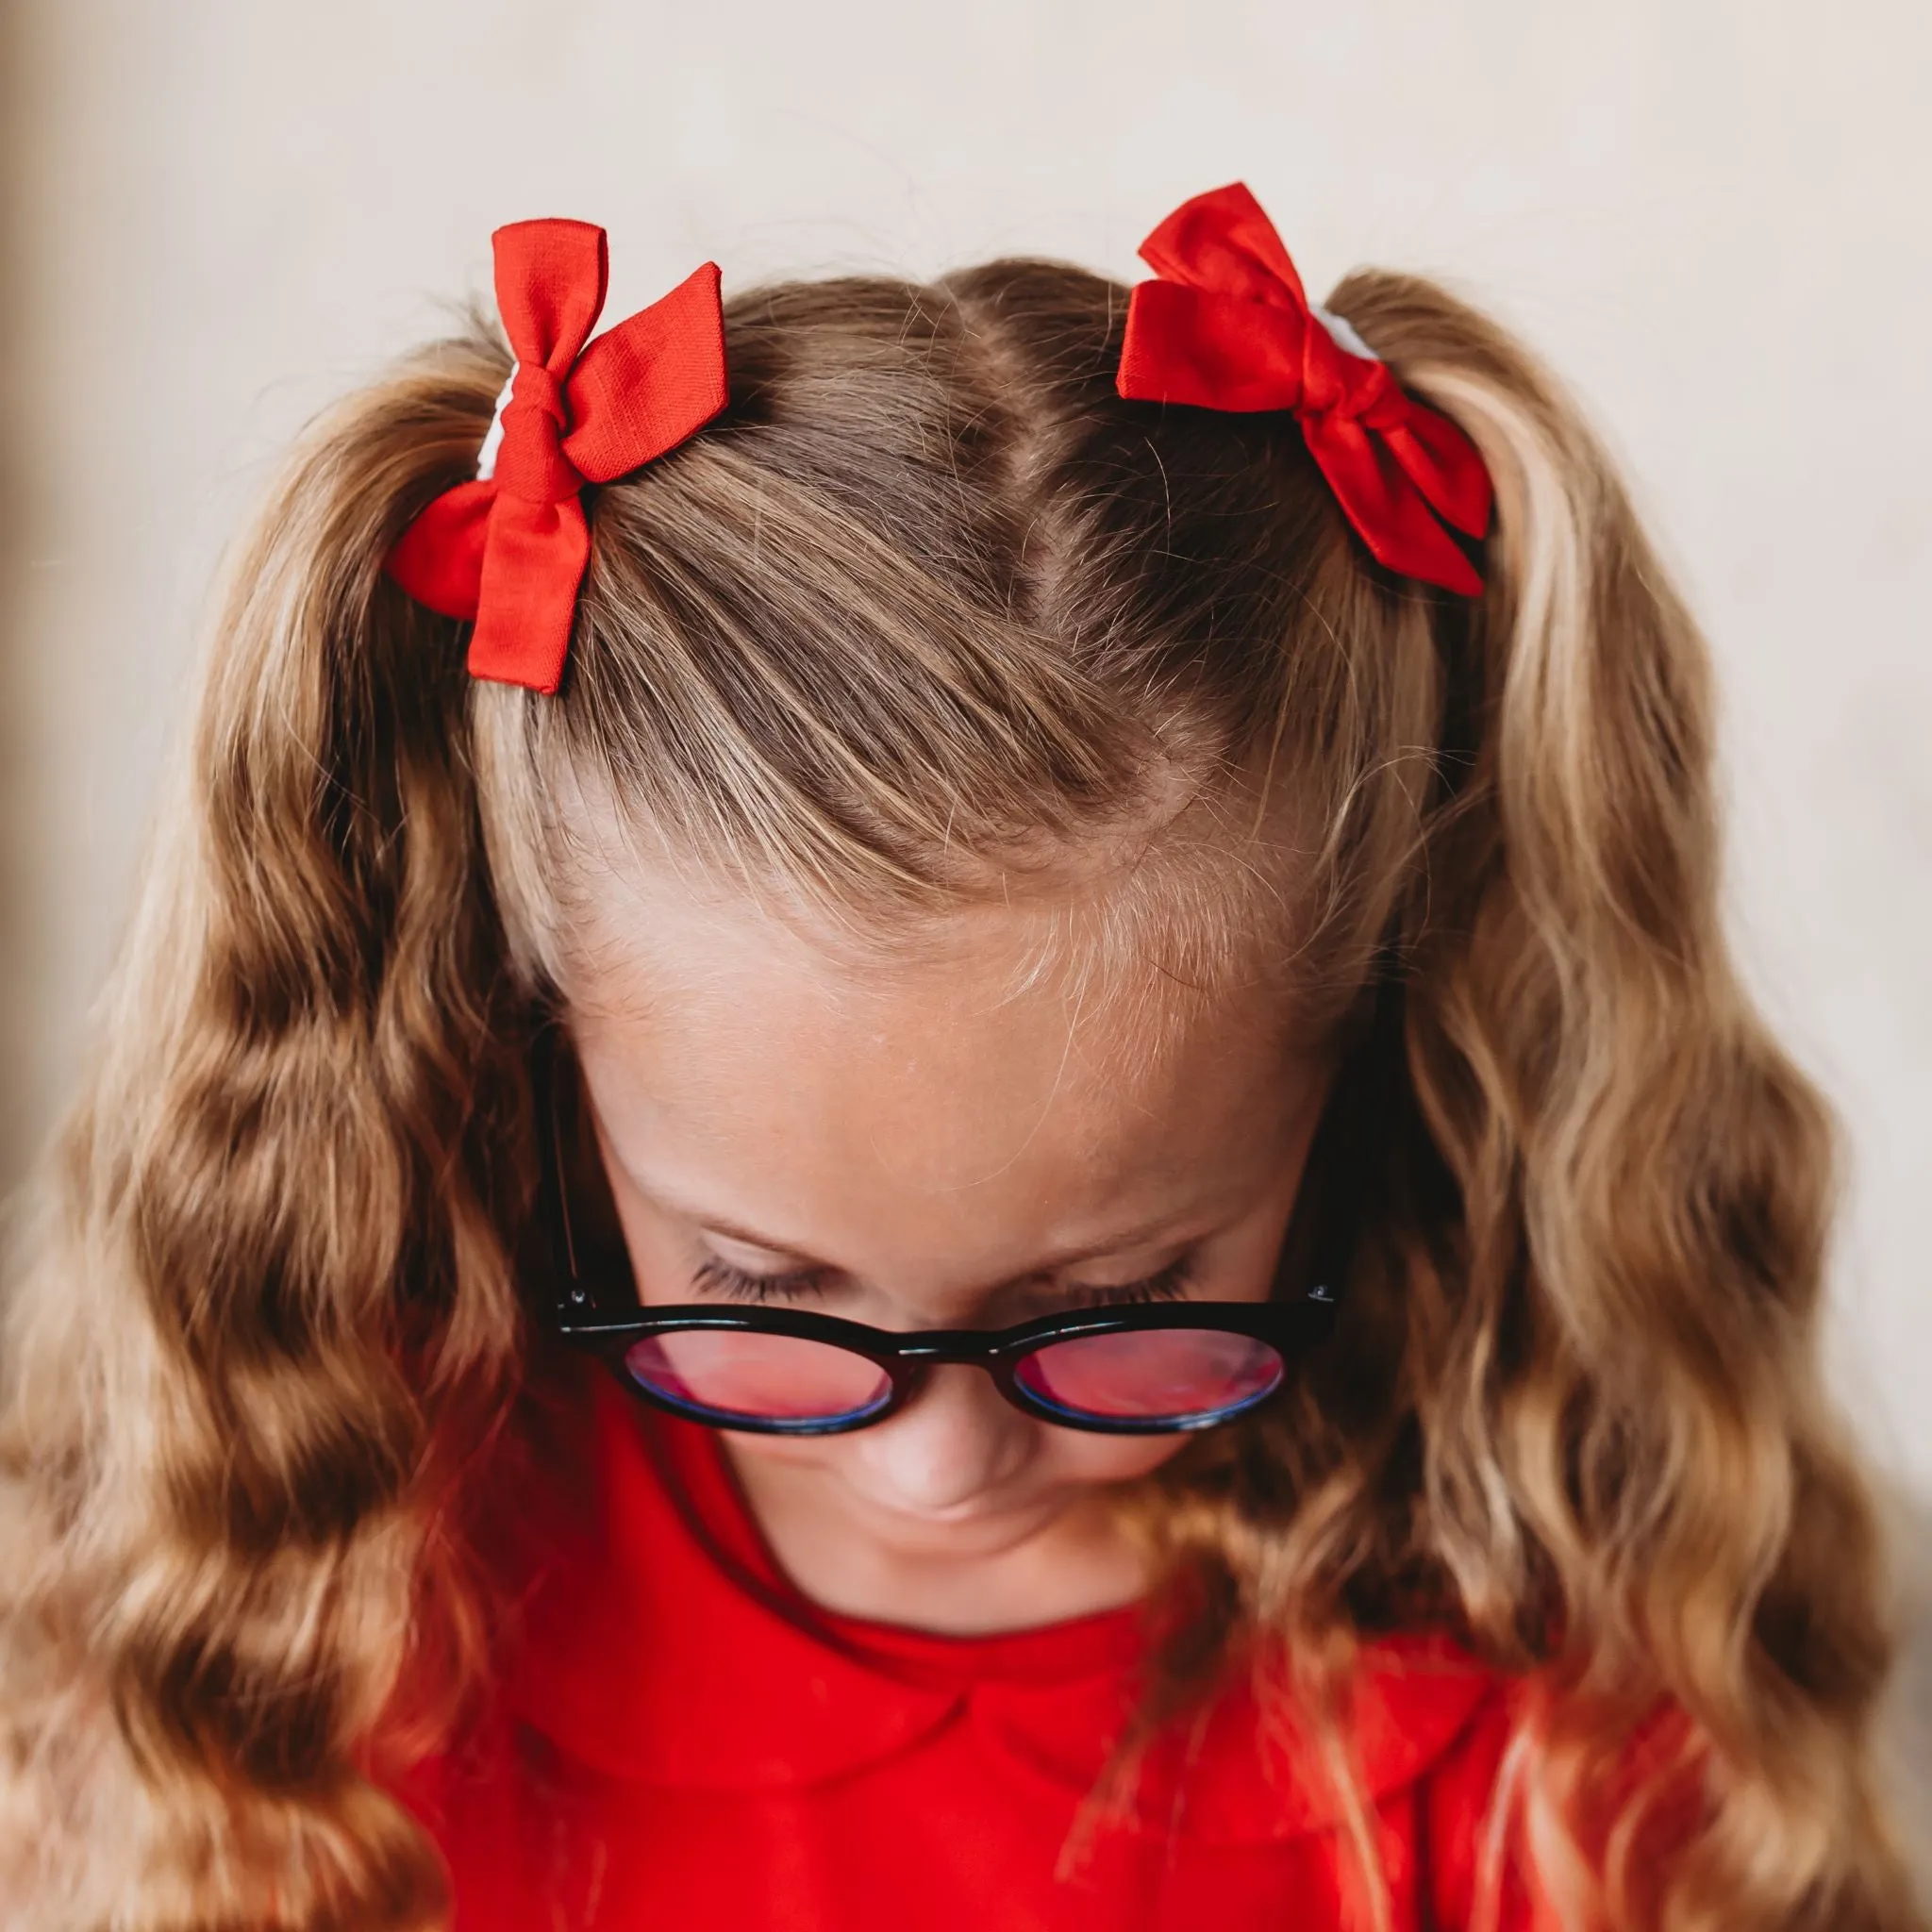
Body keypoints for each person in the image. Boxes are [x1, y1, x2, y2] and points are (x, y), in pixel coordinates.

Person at [0, 184, 1918, 1932]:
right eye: (756, 1287)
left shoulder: (1567, 1701)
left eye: (1118, 1296)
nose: (936, 1468)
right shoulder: (288, 1622)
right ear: (533, 1051)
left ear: (1370, 1064)